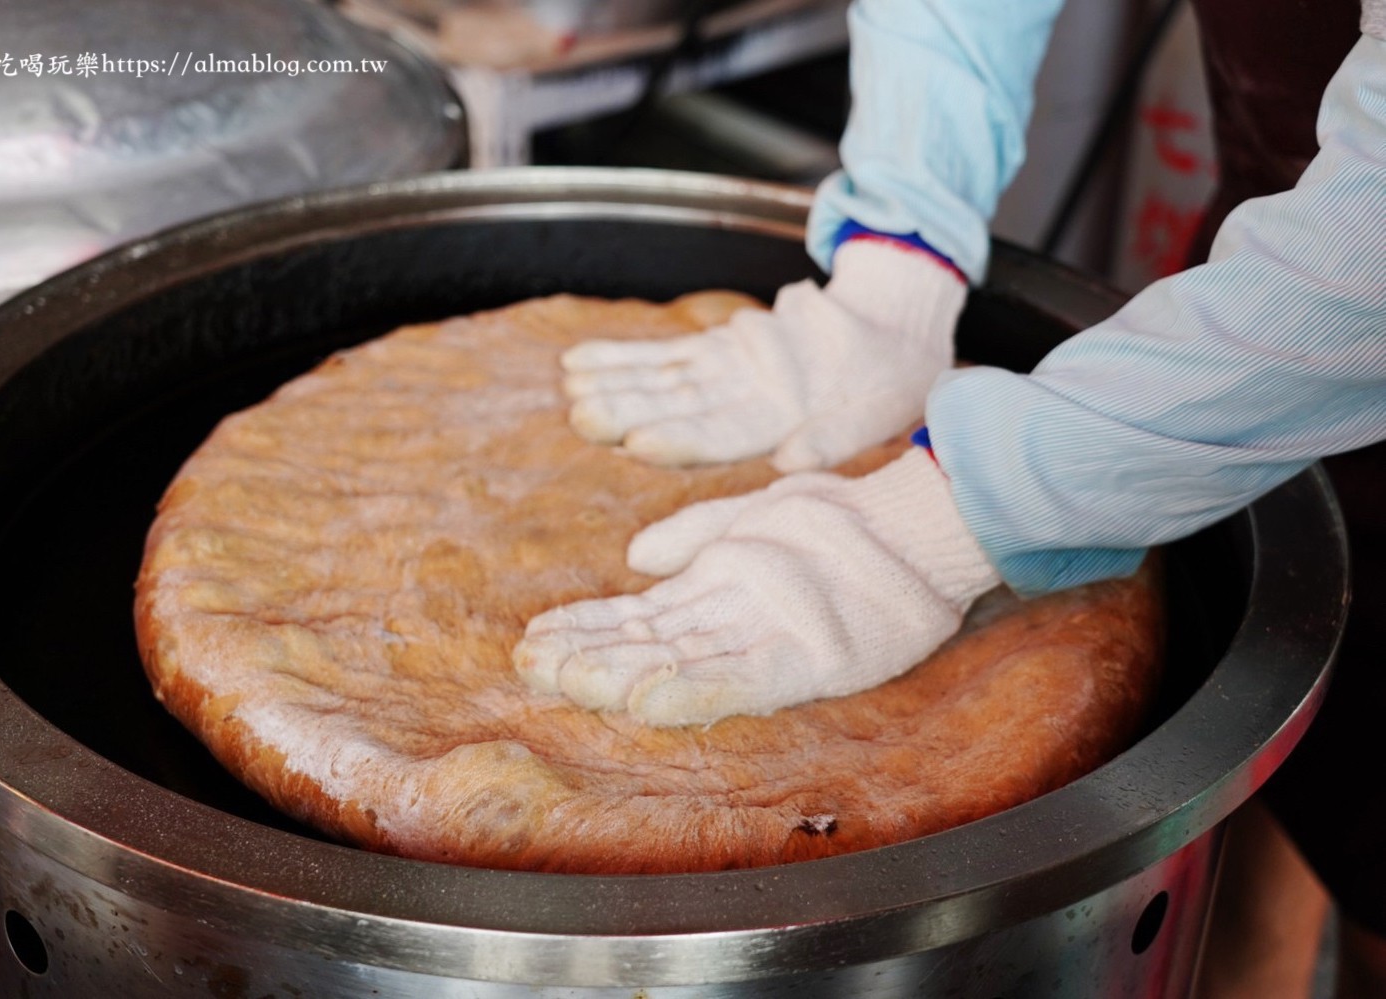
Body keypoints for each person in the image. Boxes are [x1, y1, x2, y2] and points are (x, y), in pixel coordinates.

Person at [512, 0, 1386, 994]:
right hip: (1248, 302)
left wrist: (926, 528)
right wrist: (898, 260)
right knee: (1254, 824)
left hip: (1344, 295)